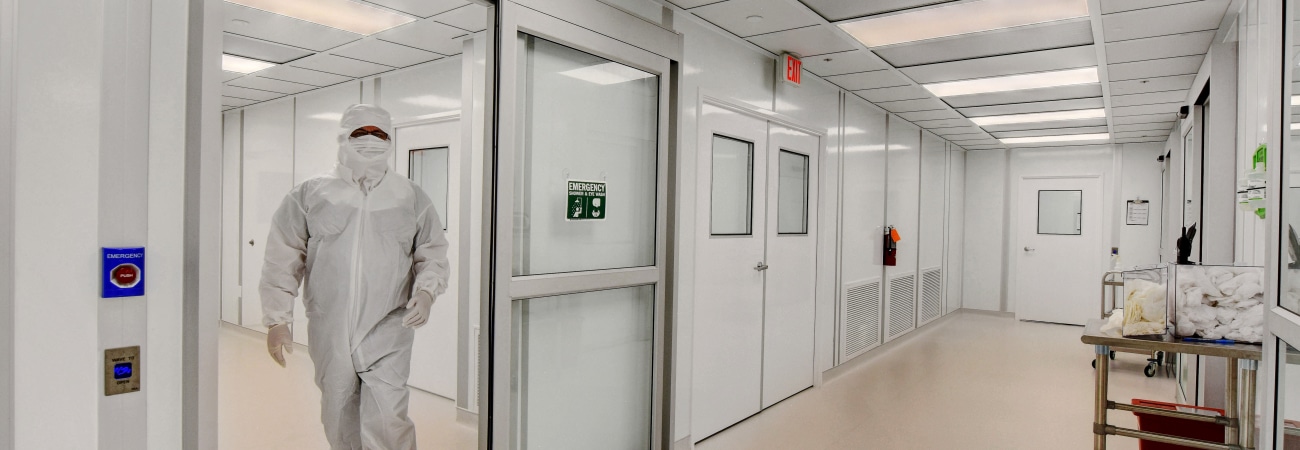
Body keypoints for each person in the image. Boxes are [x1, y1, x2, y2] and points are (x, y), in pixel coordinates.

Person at [259, 104, 449, 450]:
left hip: (389, 324)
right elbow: (283, 257)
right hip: (329, 325)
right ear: (343, 137)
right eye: (361, 132)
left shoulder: (410, 196)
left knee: (389, 416)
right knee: (338, 411)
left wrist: (426, 292)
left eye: (380, 134)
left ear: (391, 139)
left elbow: (432, 252)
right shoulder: (311, 194)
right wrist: (277, 319)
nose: (370, 141)